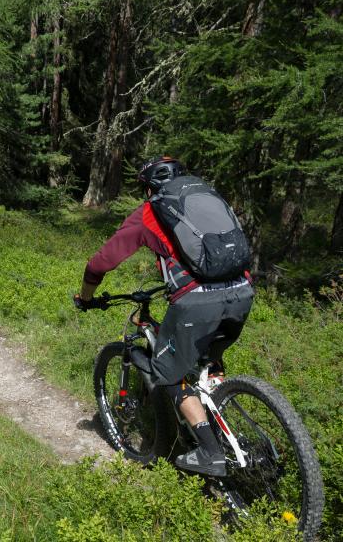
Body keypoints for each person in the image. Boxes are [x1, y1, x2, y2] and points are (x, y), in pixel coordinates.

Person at [74, 156, 254, 476]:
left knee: (168, 371)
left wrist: (85, 297)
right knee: (208, 357)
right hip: (242, 290)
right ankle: (219, 414)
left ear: (148, 186)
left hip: (198, 301)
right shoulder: (207, 197)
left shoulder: (151, 210)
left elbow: (100, 263)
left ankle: (211, 452)